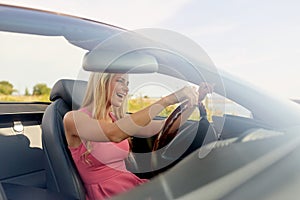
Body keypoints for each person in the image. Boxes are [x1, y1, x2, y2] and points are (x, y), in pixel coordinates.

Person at [63, 72, 213, 200]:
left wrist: (193, 102)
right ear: (101, 81)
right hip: (108, 195)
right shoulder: (74, 119)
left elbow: (163, 127)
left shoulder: (117, 119)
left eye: (127, 83)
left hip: (130, 186)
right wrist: (169, 99)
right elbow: (113, 133)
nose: (126, 88)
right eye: (120, 80)